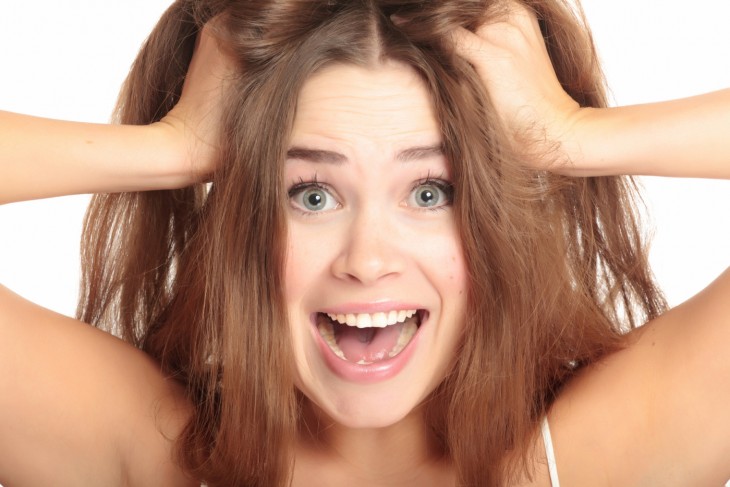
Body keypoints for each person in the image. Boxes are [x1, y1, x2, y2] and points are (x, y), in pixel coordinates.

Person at [1, 0, 729, 486]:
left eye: (430, 192)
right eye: (311, 195)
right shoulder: (150, 445)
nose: (368, 259)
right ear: (242, 217)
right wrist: (173, 149)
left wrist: (572, 134)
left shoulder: (592, 455)